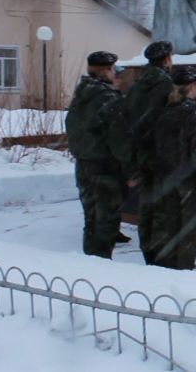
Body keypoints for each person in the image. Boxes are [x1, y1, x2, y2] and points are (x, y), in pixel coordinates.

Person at [143, 66, 196, 270]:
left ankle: (163, 271)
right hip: (188, 185)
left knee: (165, 230)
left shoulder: (162, 113)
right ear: (193, 86)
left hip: (163, 182)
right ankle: (182, 276)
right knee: (187, 235)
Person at [65, 51, 134, 259]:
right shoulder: (107, 99)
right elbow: (119, 140)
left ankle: (90, 264)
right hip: (105, 170)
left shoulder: (82, 94)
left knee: (91, 219)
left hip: (84, 166)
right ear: (106, 70)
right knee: (106, 224)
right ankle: (101, 271)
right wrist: (131, 171)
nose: (115, 74)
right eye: (113, 69)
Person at [124, 41, 176, 258]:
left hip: (141, 152)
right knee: (164, 207)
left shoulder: (138, 84)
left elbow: (128, 117)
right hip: (161, 153)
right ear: (166, 59)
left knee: (146, 204)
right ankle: (163, 254)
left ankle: (147, 247)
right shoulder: (167, 84)